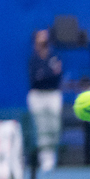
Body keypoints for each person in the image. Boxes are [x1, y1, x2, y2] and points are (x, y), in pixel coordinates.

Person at [28, 28, 64, 171]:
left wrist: (46, 75)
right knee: (41, 127)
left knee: (54, 126)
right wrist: (48, 74)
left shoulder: (55, 56)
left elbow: (56, 76)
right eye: (40, 36)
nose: (43, 39)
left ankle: (52, 155)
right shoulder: (33, 59)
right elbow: (36, 79)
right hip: (37, 96)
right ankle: (44, 158)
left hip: (53, 94)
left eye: (45, 36)